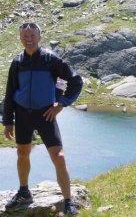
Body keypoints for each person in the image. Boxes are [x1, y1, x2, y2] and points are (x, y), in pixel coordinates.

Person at [2, 22, 83, 215]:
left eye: (32, 36)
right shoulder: (17, 62)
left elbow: (75, 81)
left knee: (59, 157)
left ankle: (68, 201)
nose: (28, 39)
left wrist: (61, 104)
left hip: (45, 114)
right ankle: (24, 192)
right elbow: (10, 91)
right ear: (20, 39)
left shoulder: (50, 60)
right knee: (22, 153)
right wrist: (7, 121)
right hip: (22, 114)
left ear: (39, 37)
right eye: (24, 36)